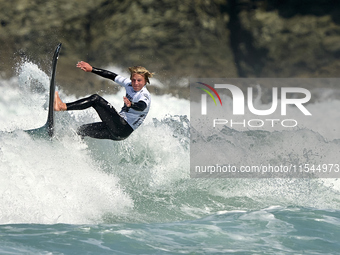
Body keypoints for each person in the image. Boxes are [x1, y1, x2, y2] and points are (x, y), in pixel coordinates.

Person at [54, 61, 153, 140]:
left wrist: (131, 105)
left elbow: (142, 106)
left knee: (96, 99)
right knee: (82, 130)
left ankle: (62, 106)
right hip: (118, 133)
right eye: (133, 80)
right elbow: (111, 76)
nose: (136, 83)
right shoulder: (129, 84)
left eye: (139, 80)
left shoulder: (144, 95)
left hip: (122, 127)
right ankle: (67, 146)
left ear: (145, 81)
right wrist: (92, 69)